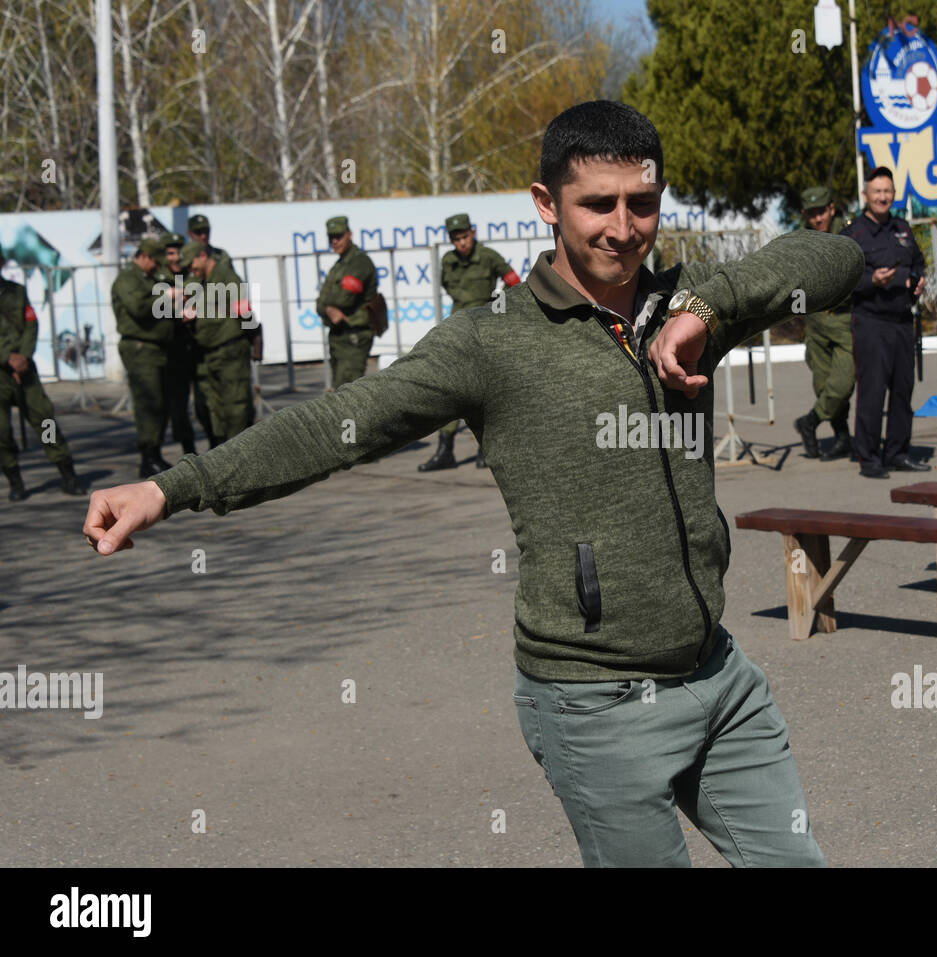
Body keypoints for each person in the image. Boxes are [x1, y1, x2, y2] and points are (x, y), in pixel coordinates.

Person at [84, 99, 863, 868]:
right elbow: (339, 422)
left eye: (642, 204)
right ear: (545, 204)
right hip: (598, 703)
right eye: (597, 205)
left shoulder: (685, 302)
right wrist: (172, 488)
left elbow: (837, 260)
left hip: (720, 678)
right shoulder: (492, 341)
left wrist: (706, 304)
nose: (623, 229)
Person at [840, 166, 930, 478]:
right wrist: (872, 279)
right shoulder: (853, 234)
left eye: (887, 191)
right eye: (877, 191)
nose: (883, 197)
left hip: (903, 320)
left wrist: (919, 281)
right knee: (873, 391)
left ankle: (897, 453)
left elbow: (918, 262)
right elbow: (841, 277)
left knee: (903, 390)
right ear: (866, 195)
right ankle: (869, 457)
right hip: (871, 321)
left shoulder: (902, 227)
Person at [419, 212, 521, 471]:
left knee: (485, 389)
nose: (461, 243)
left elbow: (513, 281)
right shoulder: (449, 260)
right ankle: (445, 449)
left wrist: (498, 303)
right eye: (456, 239)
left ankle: (485, 448)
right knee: (453, 388)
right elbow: (448, 286)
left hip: (485, 329)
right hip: (458, 328)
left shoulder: (488, 257)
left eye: (464, 237)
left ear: (472, 233)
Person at [1, 271, 82, 500]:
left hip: (24, 370)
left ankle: (67, 473)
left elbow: (31, 323)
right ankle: (15, 481)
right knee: (2, 432)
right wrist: (7, 356)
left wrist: (23, 357)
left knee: (45, 421)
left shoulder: (15, 291)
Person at [792, 186, 854, 461]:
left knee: (843, 382)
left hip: (844, 318)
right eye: (812, 214)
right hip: (815, 319)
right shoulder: (799, 238)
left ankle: (810, 421)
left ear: (832, 208)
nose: (818, 219)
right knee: (822, 382)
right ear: (806, 214)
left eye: (823, 212)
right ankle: (842, 437)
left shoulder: (850, 232)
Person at [111, 237, 178, 476]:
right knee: (148, 403)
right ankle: (148, 455)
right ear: (145, 256)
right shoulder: (128, 278)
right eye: (155, 261)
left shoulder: (148, 278)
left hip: (156, 348)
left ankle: (155, 453)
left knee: (160, 403)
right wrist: (167, 296)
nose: (157, 267)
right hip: (140, 348)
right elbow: (138, 306)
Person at [178, 241, 254, 445]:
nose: (191, 268)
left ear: (203, 255)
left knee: (235, 408)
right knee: (218, 409)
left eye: (192, 263)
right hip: (213, 353)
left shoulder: (225, 276)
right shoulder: (205, 280)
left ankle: (240, 454)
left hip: (230, 351)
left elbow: (243, 309)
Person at [315, 216, 377, 388]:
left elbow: (343, 300)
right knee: (339, 392)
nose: (334, 241)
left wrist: (328, 305)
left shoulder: (359, 263)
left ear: (349, 234)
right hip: (339, 336)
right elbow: (320, 303)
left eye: (339, 236)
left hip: (353, 336)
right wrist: (328, 309)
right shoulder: (339, 266)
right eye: (331, 238)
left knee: (348, 394)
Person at [158, 231, 202, 455]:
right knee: (178, 406)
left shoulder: (191, 275)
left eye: (178, 252)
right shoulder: (158, 279)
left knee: (205, 403)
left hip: (198, 346)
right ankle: (188, 451)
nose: (175, 258)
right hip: (172, 350)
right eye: (170, 253)